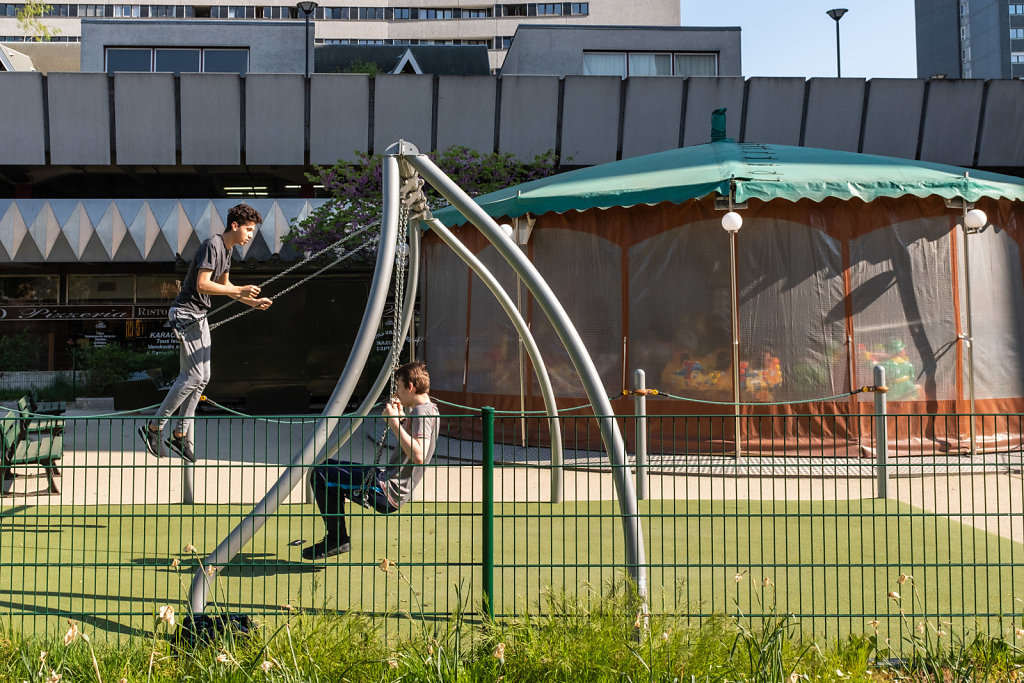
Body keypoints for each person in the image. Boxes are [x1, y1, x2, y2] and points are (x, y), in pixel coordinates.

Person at [137, 203, 273, 462]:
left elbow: (227, 286)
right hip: (186, 314)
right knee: (191, 376)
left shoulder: (228, 251)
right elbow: (202, 284)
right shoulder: (213, 244)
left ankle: (179, 435)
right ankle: (153, 428)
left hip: (198, 316)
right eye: (248, 229)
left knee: (202, 378)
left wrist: (252, 302)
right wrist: (238, 291)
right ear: (234, 225)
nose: (250, 235)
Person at [303, 361, 440, 560]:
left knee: (319, 475)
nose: (397, 394)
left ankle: (337, 539)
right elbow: (412, 447)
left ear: (410, 386)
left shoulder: (422, 412)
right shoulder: (430, 409)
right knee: (327, 466)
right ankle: (337, 535)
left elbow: (419, 455)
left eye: (399, 387)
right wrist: (401, 420)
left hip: (388, 489)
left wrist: (394, 424)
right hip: (385, 479)